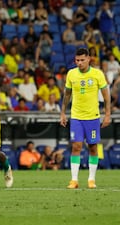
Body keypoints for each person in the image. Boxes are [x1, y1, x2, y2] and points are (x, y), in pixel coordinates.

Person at [60, 48, 111, 189]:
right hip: (76, 116)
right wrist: (63, 113)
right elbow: (67, 95)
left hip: (93, 117)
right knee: (76, 146)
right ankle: (74, 180)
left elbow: (106, 96)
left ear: (89, 59)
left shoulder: (97, 74)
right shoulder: (71, 74)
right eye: (77, 60)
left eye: (82, 60)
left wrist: (107, 115)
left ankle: (91, 179)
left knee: (93, 147)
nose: (80, 63)